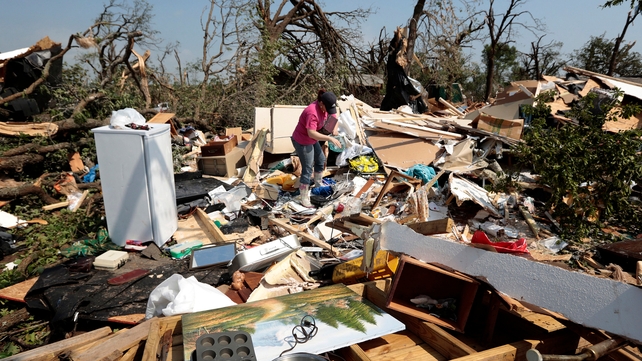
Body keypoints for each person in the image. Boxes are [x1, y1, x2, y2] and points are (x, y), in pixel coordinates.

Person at [291, 90, 342, 208]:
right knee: (308, 168)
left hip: (313, 140)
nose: (328, 111)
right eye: (327, 108)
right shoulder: (312, 112)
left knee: (320, 160)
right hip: (302, 140)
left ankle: (318, 186)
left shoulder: (327, 108)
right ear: (321, 103)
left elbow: (334, 118)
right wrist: (330, 139)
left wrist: (334, 128)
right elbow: (311, 133)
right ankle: (303, 198)